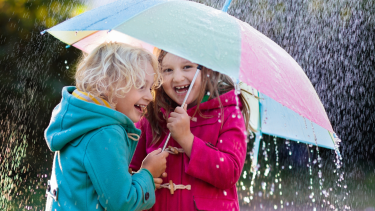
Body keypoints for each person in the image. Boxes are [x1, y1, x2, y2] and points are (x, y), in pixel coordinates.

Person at [44, 42, 169, 211]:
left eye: (150, 87)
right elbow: (121, 203)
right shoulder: (106, 132)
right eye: (140, 86)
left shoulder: (82, 120)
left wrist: (140, 181)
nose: (150, 96)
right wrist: (148, 171)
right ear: (108, 84)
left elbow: (92, 186)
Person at [130, 49, 253, 210]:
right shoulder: (152, 116)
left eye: (187, 67)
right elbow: (130, 167)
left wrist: (187, 139)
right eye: (168, 70)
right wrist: (144, 176)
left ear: (207, 70)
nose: (178, 77)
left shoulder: (228, 112)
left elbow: (229, 173)